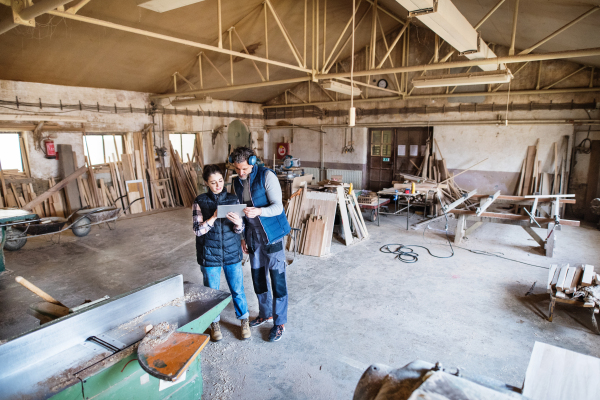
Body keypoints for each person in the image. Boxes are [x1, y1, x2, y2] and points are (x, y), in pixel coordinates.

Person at [230, 147, 291, 342]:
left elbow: (278, 207)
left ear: (253, 162)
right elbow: (240, 211)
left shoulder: (267, 176)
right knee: (258, 277)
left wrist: (259, 212)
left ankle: (279, 322)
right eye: (238, 169)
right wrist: (242, 238)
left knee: (277, 279)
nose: (241, 173)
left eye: (245, 169)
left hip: (272, 234)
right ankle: (265, 313)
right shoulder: (236, 182)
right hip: (252, 235)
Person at [193, 164, 251, 341]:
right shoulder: (200, 201)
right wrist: (213, 217)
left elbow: (239, 229)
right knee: (212, 294)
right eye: (213, 182)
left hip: (232, 253)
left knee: (238, 290)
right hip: (210, 255)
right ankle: (214, 323)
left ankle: (243, 321)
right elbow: (197, 230)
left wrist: (238, 223)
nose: (218, 185)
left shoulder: (233, 199)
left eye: (220, 181)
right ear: (206, 183)